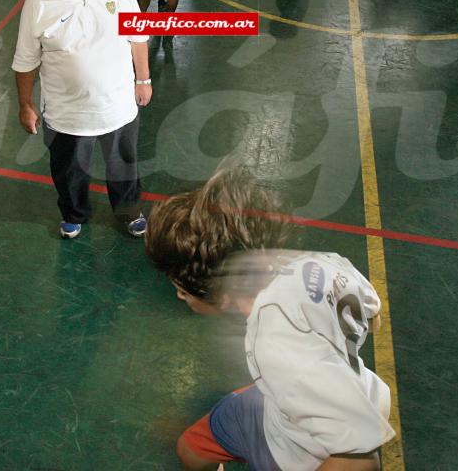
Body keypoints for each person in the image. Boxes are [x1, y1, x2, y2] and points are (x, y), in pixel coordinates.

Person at [143, 169, 395, 471]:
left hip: (297, 452)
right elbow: (373, 315)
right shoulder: (320, 263)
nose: (179, 297)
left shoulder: (274, 348)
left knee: (192, 452)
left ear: (221, 296)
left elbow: (360, 460)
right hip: (335, 397)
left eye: (182, 292)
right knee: (191, 448)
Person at [12, 0, 151, 240]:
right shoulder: (40, 0)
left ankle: (129, 210)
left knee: (124, 165)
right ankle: (74, 214)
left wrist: (143, 79)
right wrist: (25, 105)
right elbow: (25, 60)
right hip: (66, 114)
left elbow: (138, 36)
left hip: (118, 106)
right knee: (69, 172)